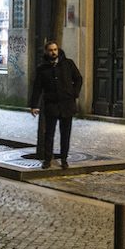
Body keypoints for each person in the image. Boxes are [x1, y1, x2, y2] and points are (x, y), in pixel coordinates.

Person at [29, 40, 83, 169]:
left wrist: (74, 93)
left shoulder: (68, 64)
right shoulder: (42, 68)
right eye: (50, 50)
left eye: (55, 50)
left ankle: (64, 159)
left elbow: (78, 78)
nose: (53, 52)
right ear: (46, 52)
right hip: (51, 105)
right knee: (49, 133)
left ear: (58, 50)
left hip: (67, 104)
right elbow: (37, 88)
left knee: (66, 133)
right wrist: (34, 105)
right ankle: (47, 159)